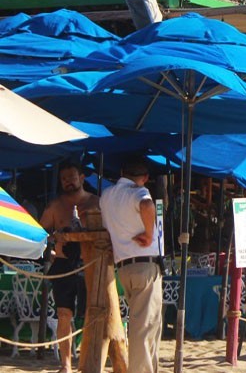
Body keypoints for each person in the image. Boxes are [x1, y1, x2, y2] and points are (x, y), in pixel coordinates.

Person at [100, 155, 162, 373]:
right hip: (144, 264)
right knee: (144, 327)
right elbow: (146, 205)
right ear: (144, 178)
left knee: (144, 324)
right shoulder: (138, 192)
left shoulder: (106, 195)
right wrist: (149, 232)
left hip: (124, 264)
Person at [39, 160, 99, 373]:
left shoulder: (95, 203)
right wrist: (54, 245)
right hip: (64, 265)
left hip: (89, 263)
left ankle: (91, 359)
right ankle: (65, 364)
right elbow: (41, 233)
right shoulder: (55, 205)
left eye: (71, 177)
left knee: (93, 313)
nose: (68, 182)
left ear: (81, 178)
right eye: (64, 179)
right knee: (64, 314)